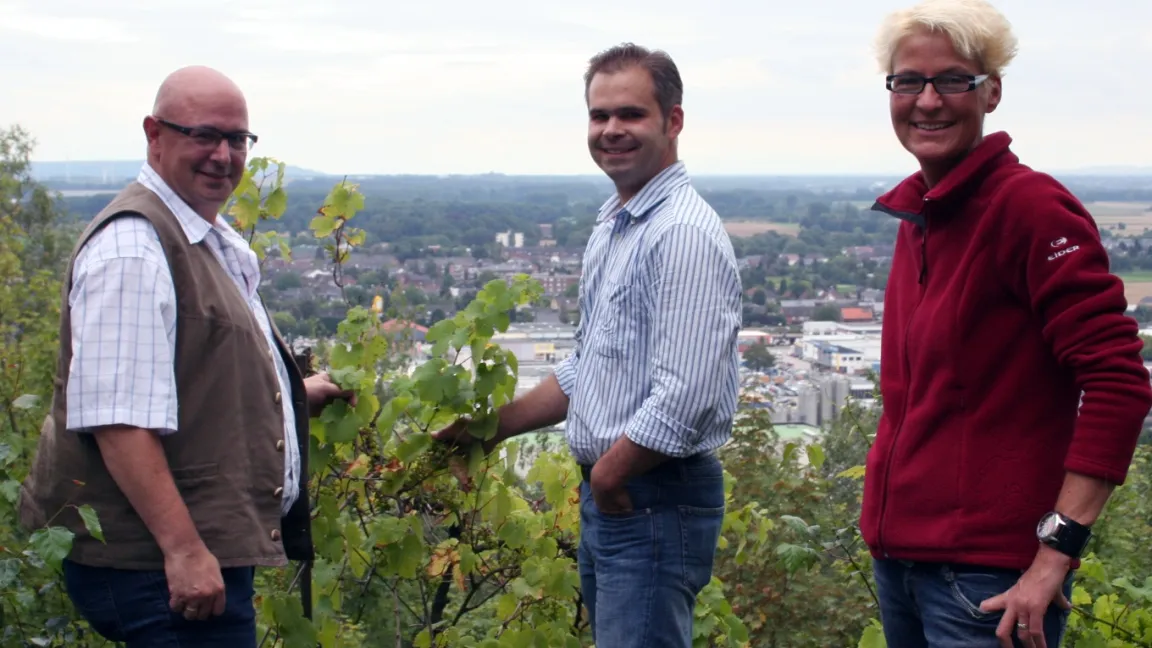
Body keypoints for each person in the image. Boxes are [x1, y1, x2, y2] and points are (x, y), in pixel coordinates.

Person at [18, 65, 352, 647]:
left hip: (189, 561)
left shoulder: (198, 235)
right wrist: (184, 549)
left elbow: (198, 374)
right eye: (203, 135)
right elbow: (119, 421)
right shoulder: (134, 248)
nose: (223, 155)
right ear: (154, 134)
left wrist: (296, 397)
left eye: (237, 139)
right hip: (163, 571)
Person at [860, 2, 1152, 647]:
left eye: (953, 80)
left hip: (988, 581)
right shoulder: (924, 216)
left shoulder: (1031, 209)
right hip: (901, 562)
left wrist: (1056, 554)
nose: (928, 101)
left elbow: (1117, 382)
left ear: (991, 91)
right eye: (909, 80)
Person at [433, 43, 742, 647]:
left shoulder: (679, 233)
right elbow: (590, 368)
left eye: (630, 114)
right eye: (599, 116)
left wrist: (607, 476)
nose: (611, 130)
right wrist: (490, 428)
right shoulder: (618, 223)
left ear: (673, 121)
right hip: (623, 492)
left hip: (651, 493)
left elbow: (688, 395)